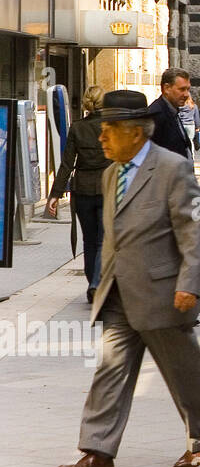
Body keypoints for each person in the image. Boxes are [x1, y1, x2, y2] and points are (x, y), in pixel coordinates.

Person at [57, 90, 200, 467]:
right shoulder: (112, 173)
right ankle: (97, 452)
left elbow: (193, 230)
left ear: (135, 132)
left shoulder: (172, 168)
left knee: (182, 372)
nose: (102, 138)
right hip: (118, 295)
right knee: (109, 371)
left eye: (109, 129)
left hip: (164, 294)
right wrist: (99, 283)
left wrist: (189, 285)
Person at [48, 86, 111, 304]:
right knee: (104, 240)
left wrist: (55, 194)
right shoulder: (111, 127)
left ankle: (93, 283)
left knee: (89, 241)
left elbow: (67, 164)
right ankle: (97, 284)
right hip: (107, 187)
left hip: (82, 189)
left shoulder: (77, 128)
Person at [147, 67, 194, 160]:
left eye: (188, 89)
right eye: (182, 89)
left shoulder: (173, 111)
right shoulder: (156, 115)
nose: (186, 94)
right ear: (167, 88)